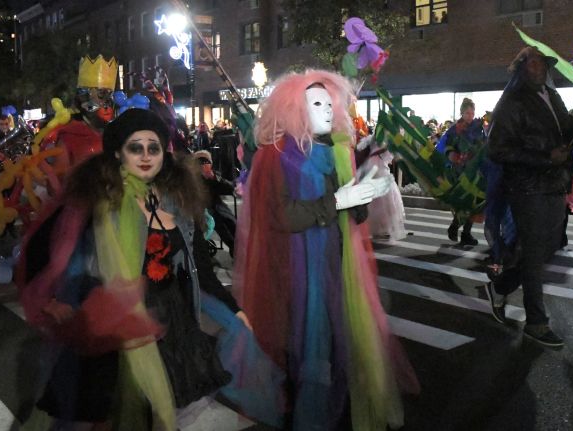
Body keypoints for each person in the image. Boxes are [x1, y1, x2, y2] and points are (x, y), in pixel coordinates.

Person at [18, 108, 282, 429]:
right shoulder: (98, 197)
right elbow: (43, 244)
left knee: (162, 409)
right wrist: (53, 300)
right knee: (126, 411)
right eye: (135, 147)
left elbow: (200, 265)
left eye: (153, 147)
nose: (145, 156)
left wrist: (232, 309)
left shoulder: (178, 197)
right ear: (118, 153)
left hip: (172, 322)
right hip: (120, 324)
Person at [236, 70, 419, 430]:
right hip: (295, 268)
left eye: (328, 103)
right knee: (301, 345)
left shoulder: (337, 151)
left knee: (335, 341)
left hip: (335, 264)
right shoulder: (276, 156)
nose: (326, 109)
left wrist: (367, 188)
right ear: (293, 110)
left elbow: (352, 214)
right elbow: (280, 216)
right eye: (315, 103)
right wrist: (337, 199)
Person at [485, 46, 573, 347]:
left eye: (542, 63)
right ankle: (536, 323)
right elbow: (498, 149)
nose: (539, 68)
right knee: (532, 253)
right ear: (520, 68)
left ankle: (501, 285)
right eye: (532, 63)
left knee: (549, 246)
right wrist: (545, 157)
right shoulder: (512, 102)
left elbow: (566, 132)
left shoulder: (552, 96)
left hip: (555, 184)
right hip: (527, 188)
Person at [437, 97, 485, 246]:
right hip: (461, 170)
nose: (470, 116)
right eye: (467, 113)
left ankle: (465, 233)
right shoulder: (455, 129)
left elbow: (483, 144)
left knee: (477, 202)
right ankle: (456, 227)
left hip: (477, 169)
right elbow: (446, 147)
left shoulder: (478, 127)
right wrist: (452, 154)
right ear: (461, 113)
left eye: (472, 113)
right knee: (466, 201)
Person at [193, 150, 237, 256]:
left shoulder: (214, 175)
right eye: (199, 162)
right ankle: (235, 248)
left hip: (217, 206)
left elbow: (230, 188)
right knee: (218, 221)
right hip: (199, 210)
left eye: (205, 161)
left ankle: (238, 247)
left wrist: (213, 177)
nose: (202, 165)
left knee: (230, 221)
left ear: (211, 163)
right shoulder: (191, 178)